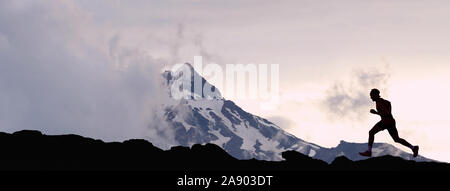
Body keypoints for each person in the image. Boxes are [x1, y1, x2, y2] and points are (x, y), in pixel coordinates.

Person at [359, 89, 419, 157]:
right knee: (396, 139)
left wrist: (376, 112)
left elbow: (387, 113)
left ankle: (369, 152)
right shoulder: (383, 101)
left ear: (375, 95)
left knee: (371, 132)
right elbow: (388, 108)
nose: (371, 97)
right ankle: (413, 148)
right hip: (390, 122)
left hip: (386, 122)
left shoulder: (380, 102)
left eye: (371, 95)